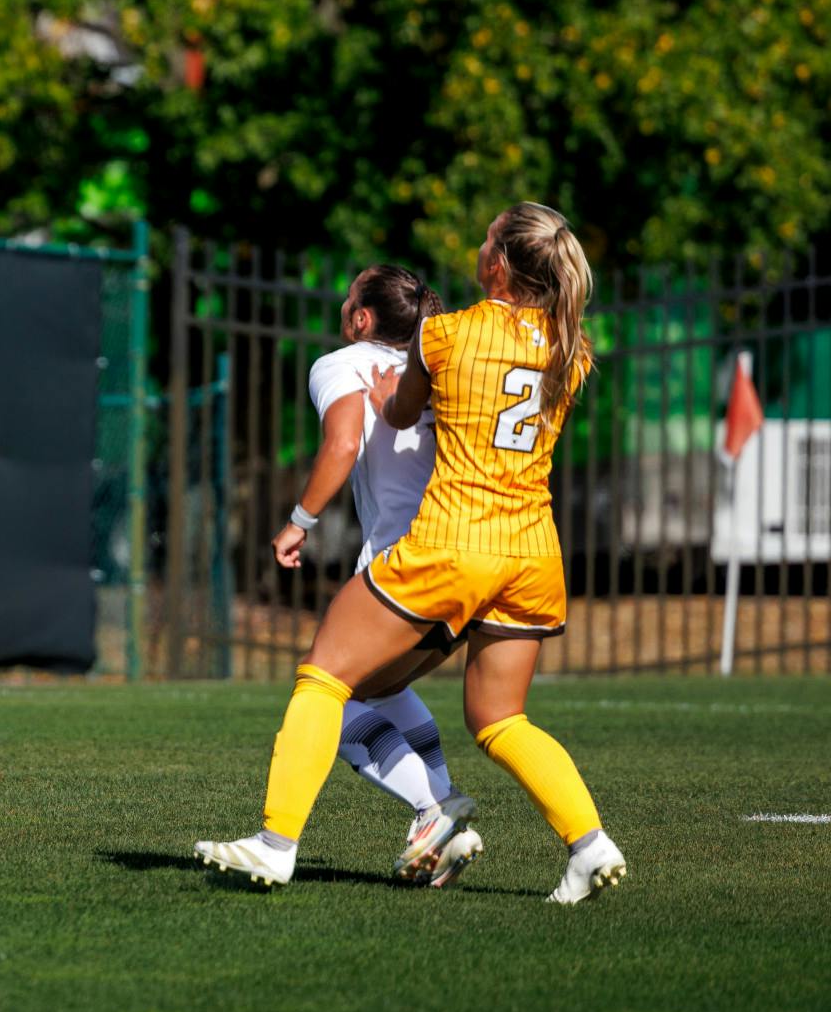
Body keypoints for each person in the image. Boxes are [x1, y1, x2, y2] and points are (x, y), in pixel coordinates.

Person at [197, 203, 628, 904]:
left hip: (454, 542)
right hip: (532, 551)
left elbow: (399, 411)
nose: (478, 246)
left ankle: (275, 845)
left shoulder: (445, 332)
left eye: (487, 238)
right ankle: (588, 843)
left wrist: (386, 398)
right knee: (501, 719)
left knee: (324, 679)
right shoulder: (570, 348)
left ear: (498, 263)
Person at [278, 264, 482, 887]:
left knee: (330, 700)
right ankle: (442, 806)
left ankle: (433, 809)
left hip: (405, 566)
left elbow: (342, 445)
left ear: (362, 318)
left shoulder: (341, 364)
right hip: (475, 559)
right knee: (383, 690)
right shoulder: (441, 365)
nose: (344, 305)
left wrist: (299, 522)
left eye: (349, 298)